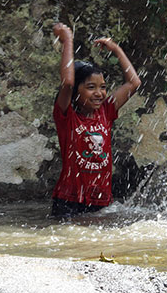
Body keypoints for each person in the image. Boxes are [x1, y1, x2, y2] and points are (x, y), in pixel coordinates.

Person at [51, 23, 141, 217]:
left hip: (101, 201)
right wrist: (67, 40)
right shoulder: (67, 117)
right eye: (91, 87)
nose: (99, 93)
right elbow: (67, 82)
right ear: (75, 92)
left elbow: (134, 83)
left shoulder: (105, 112)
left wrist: (116, 49)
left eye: (103, 87)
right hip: (69, 202)